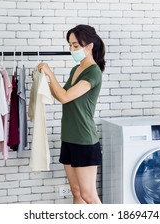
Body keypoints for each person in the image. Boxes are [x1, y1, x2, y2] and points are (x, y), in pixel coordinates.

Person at [38, 24, 105, 204]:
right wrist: (46, 81)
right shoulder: (76, 70)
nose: (71, 49)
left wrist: (50, 73)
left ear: (89, 46)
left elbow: (65, 97)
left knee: (88, 195)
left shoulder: (93, 72)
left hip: (84, 139)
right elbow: (59, 94)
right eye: (70, 45)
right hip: (68, 137)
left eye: (75, 46)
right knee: (76, 192)